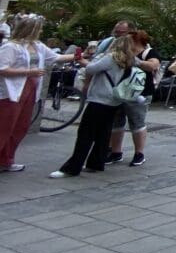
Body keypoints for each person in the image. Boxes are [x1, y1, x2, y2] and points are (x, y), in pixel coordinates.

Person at [51, 35, 134, 177]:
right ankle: (96, 162)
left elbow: (91, 69)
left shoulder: (111, 58)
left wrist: (84, 60)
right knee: (103, 133)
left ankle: (73, 167)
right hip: (114, 100)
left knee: (86, 133)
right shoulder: (129, 60)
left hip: (99, 99)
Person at [0, 15, 69, 172]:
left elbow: (56, 57)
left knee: (21, 127)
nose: (41, 31)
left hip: (30, 89)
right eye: (39, 28)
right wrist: (28, 72)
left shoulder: (37, 46)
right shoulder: (10, 47)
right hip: (12, 91)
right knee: (4, 127)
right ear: (31, 29)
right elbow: (2, 68)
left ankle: (6, 159)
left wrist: (80, 56)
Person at [107, 30, 159, 167]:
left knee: (137, 122)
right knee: (116, 122)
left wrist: (137, 61)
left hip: (140, 93)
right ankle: (115, 152)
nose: (126, 41)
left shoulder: (149, 53)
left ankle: (139, 153)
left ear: (137, 40)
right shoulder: (122, 53)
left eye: (129, 39)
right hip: (120, 91)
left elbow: (153, 66)